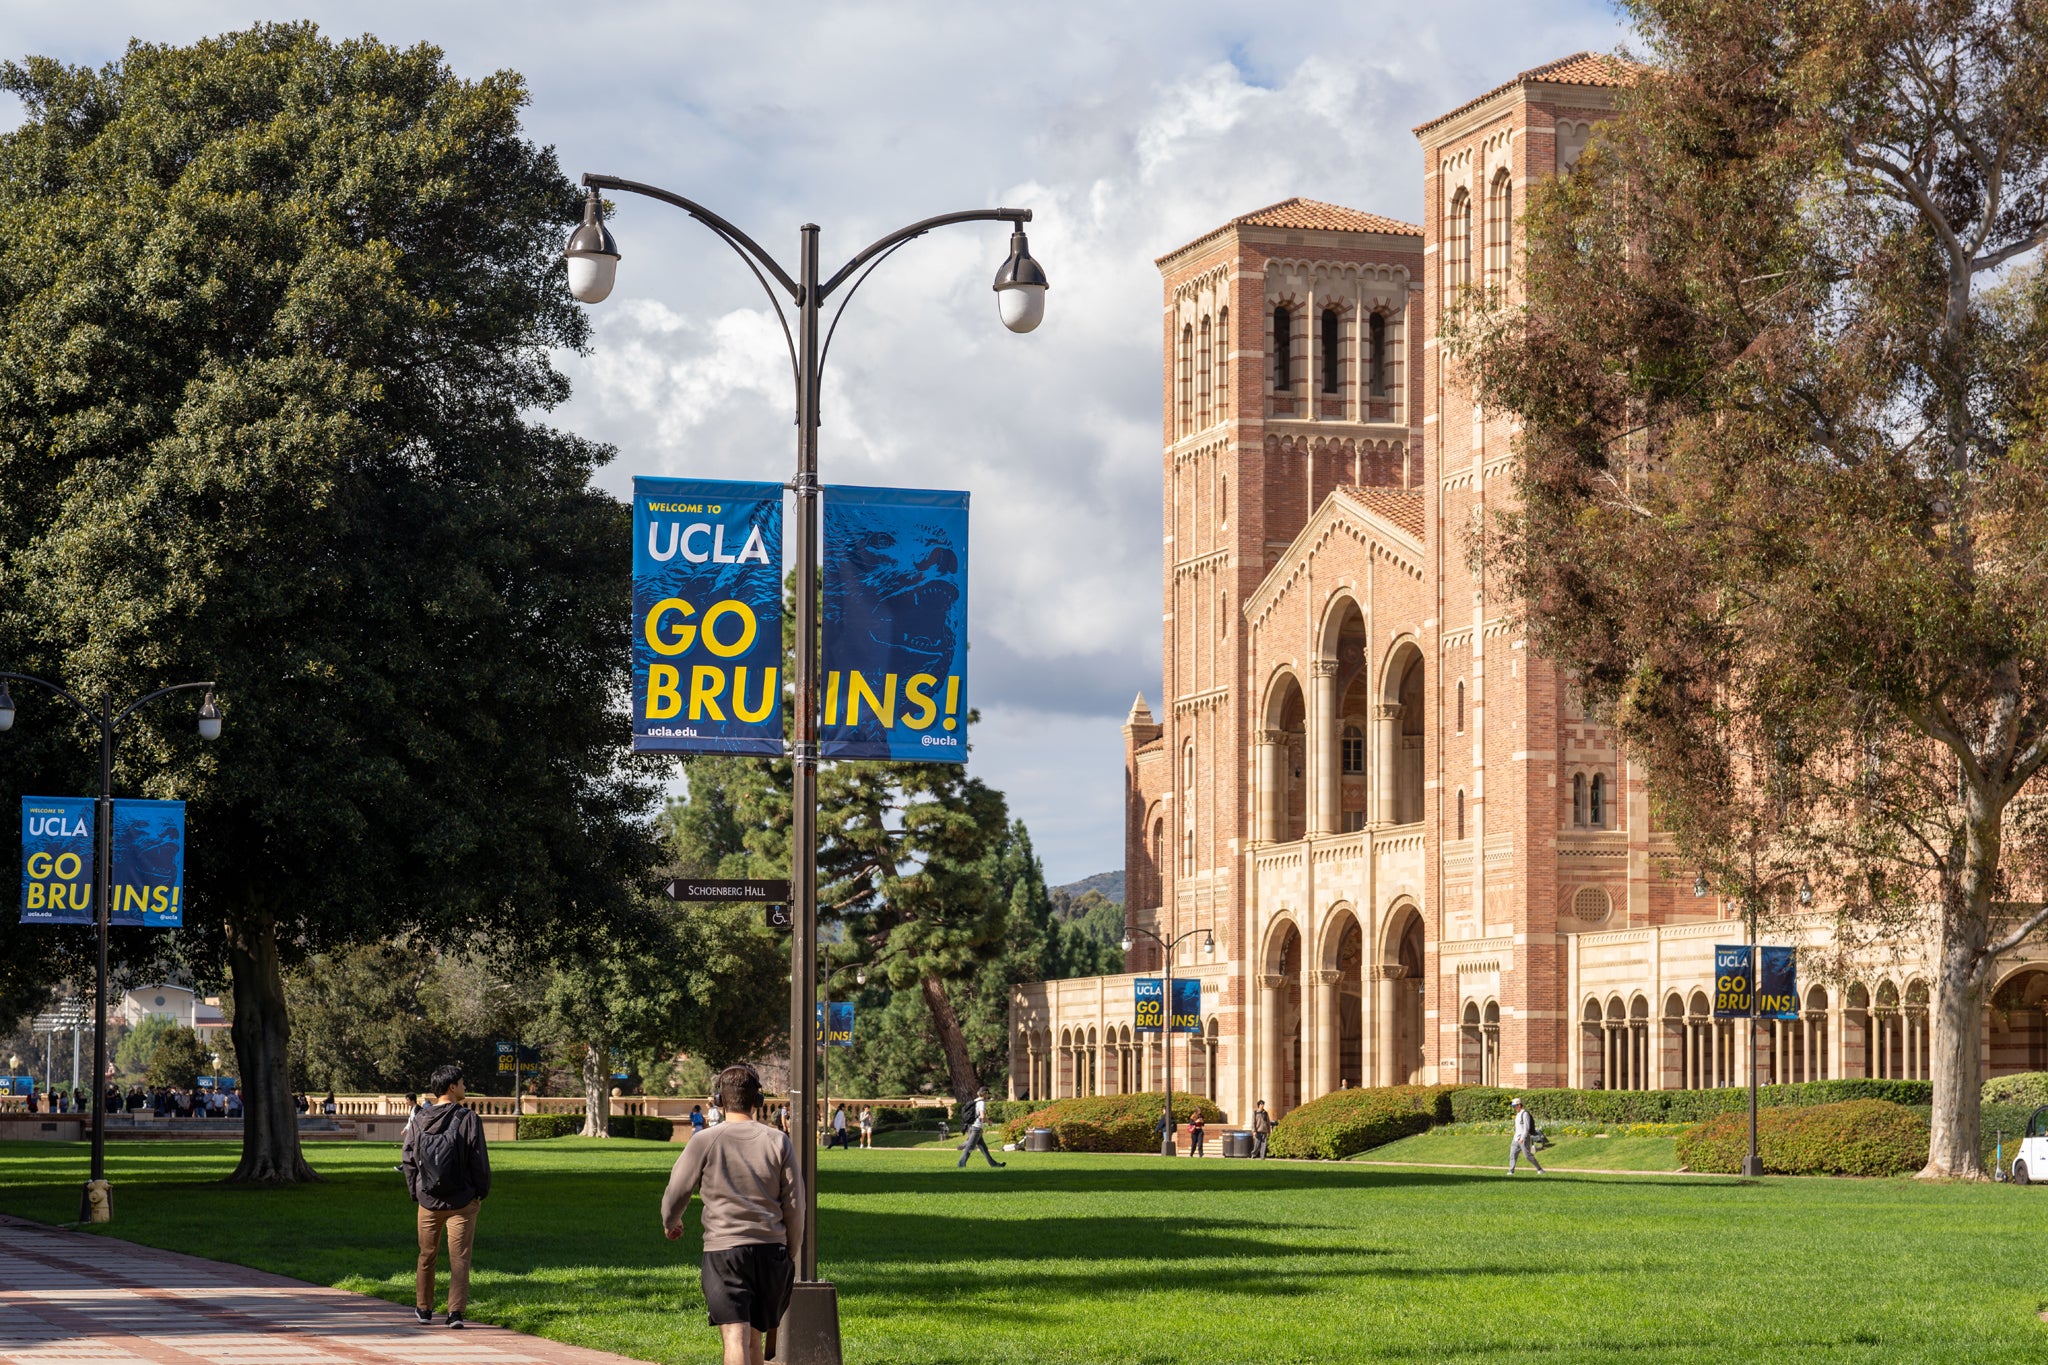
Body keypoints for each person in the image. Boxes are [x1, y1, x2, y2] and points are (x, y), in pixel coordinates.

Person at [660, 1064, 801, 1365]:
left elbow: (677, 1190)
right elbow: (794, 1203)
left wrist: (671, 1222)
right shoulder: (778, 1141)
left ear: (719, 1100)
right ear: (757, 1101)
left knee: (735, 1338)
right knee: (755, 1339)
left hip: (725, 1251)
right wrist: (792, 1248)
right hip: (771, 1251)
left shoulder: (704, 1140)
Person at [401, 1064, 492, 1328]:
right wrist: (480, 1192)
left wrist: (415, 1192)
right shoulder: (468, 1118)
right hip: (462, 1201)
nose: (465, 1088)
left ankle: (424, 1308)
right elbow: (479, 1161)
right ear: (452, 1087)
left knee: (426, 1255)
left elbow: (408, 1159)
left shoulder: (419, 1119)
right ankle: (455, 1313)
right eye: (462, 1083)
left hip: (428, 1200)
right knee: (460, 1258)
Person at [956, 1087, 1005, 1169]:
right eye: (987, 1093)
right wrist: (989, 1121)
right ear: (985, 1093)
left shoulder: (975, 1101)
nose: (988, 1095)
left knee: (984, 1149)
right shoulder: (981, 1103)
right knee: (969, 1147)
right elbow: (982, 1116)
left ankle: (994, 1164)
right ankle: (961, 1164)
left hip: (973, 1127)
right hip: (977, 1128)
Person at [1508, 1097, 1545, 1175]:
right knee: (1512, 1154)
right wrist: (1516, 1138)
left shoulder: (1525, 1114)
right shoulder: (1518, 1114)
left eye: (1515, 1106)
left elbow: (1526, 1127)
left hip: (1523, 1138)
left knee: (1527, 1155)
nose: (1514, 1108)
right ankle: (1511, 1170)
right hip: (1516, 1138)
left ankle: (1539, 1169)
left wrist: (1522, 1138)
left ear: (1519, 1105)